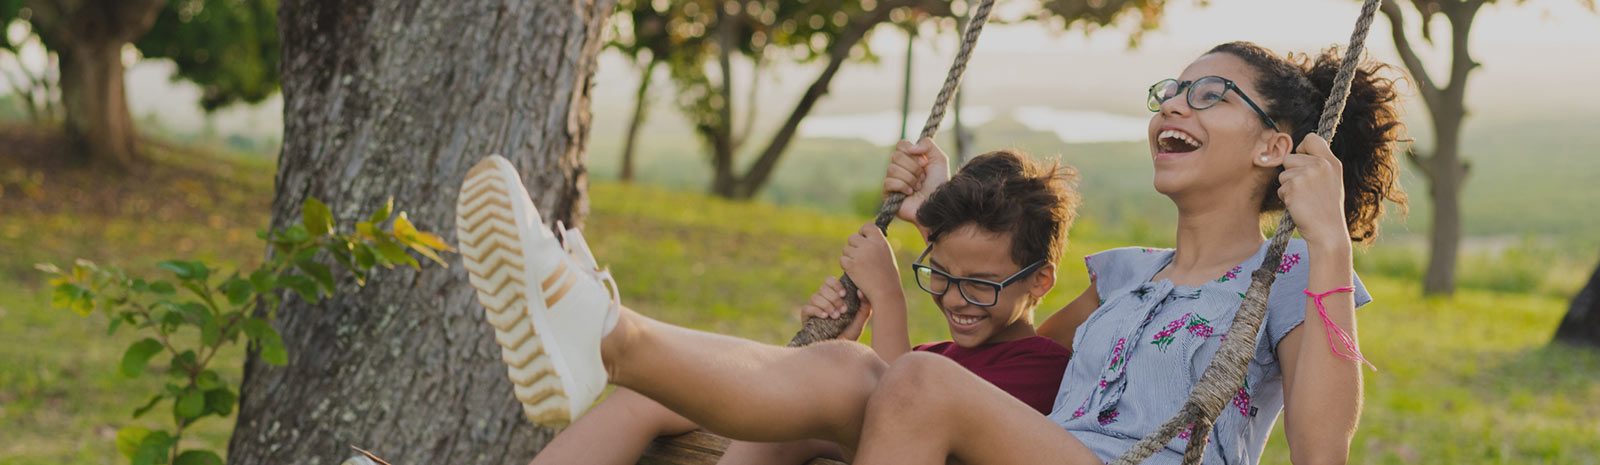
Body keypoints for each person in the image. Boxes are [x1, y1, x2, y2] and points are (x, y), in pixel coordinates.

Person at [846, 42, 1407, 464]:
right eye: (1170, 94)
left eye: (1210, 96)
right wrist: (944, 218)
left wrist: (1330, 240)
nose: (1174, 107)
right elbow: (1006, 368)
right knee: (840, 371)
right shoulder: (1125, 274)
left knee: (918, 379)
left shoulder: (1292, 274)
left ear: (1272, 147)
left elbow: (1322, 451)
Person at [456, 149, 1079, 463]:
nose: (955, 299)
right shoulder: (955, 339)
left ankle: (596, 326)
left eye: (981, 285)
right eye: (936, 276)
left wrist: (889, 299)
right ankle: (603, 338)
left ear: (1040, 282)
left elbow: (906, 403)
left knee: (834, 374)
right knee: (655, 390)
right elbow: (899, 375)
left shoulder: (1041, 368)